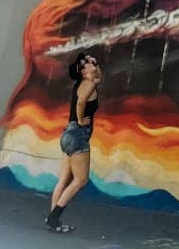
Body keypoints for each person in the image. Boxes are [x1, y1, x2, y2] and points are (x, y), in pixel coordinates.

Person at [44, 52, 102, 233]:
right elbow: (81, 103)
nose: (91, 62)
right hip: (78, 135)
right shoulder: (88, 85)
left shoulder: (87, 82)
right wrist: (80, 120)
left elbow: (98, 75)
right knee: (81, 180)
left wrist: (92, 62)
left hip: (68, 134)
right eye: (86, 63)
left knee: (64, 179)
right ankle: (54, 218)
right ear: (84, 71)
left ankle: (52, 219)